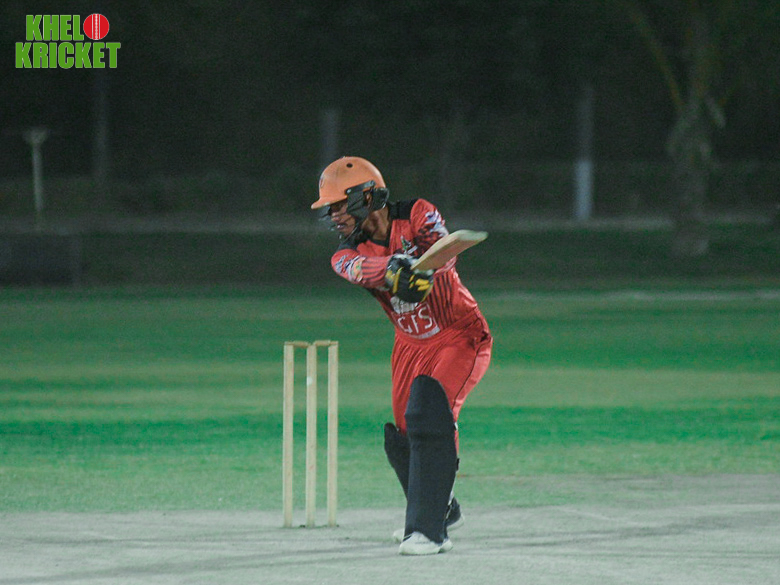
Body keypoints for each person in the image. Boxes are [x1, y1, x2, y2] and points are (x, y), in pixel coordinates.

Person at [312, 156, 492, 555]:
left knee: (428, 412)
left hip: (459, 333)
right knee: (402, 437)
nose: (334, 215)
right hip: (410, 345)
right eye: (330, 208)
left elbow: (445, 254)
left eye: (339, 205)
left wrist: (423, 269)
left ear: (366, 197)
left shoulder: (416, 213)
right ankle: (444, 508)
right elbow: (362, 269)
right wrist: (394, 271)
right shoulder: (344, 254)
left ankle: (428, 531)